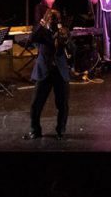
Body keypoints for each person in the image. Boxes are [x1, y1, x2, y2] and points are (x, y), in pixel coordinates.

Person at [23, 8, 75, 140]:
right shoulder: (42, 32)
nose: (54, 22)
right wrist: (41, 25)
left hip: (59, 72)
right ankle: (35, 130)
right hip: (44, 71)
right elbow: (31, 39)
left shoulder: (63, 32)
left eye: (56, 20)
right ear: (46, 20)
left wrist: (67, 41)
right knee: (36, 104)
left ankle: (61, 130)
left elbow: (73, 50)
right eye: (51, 19)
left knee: (62, 104)